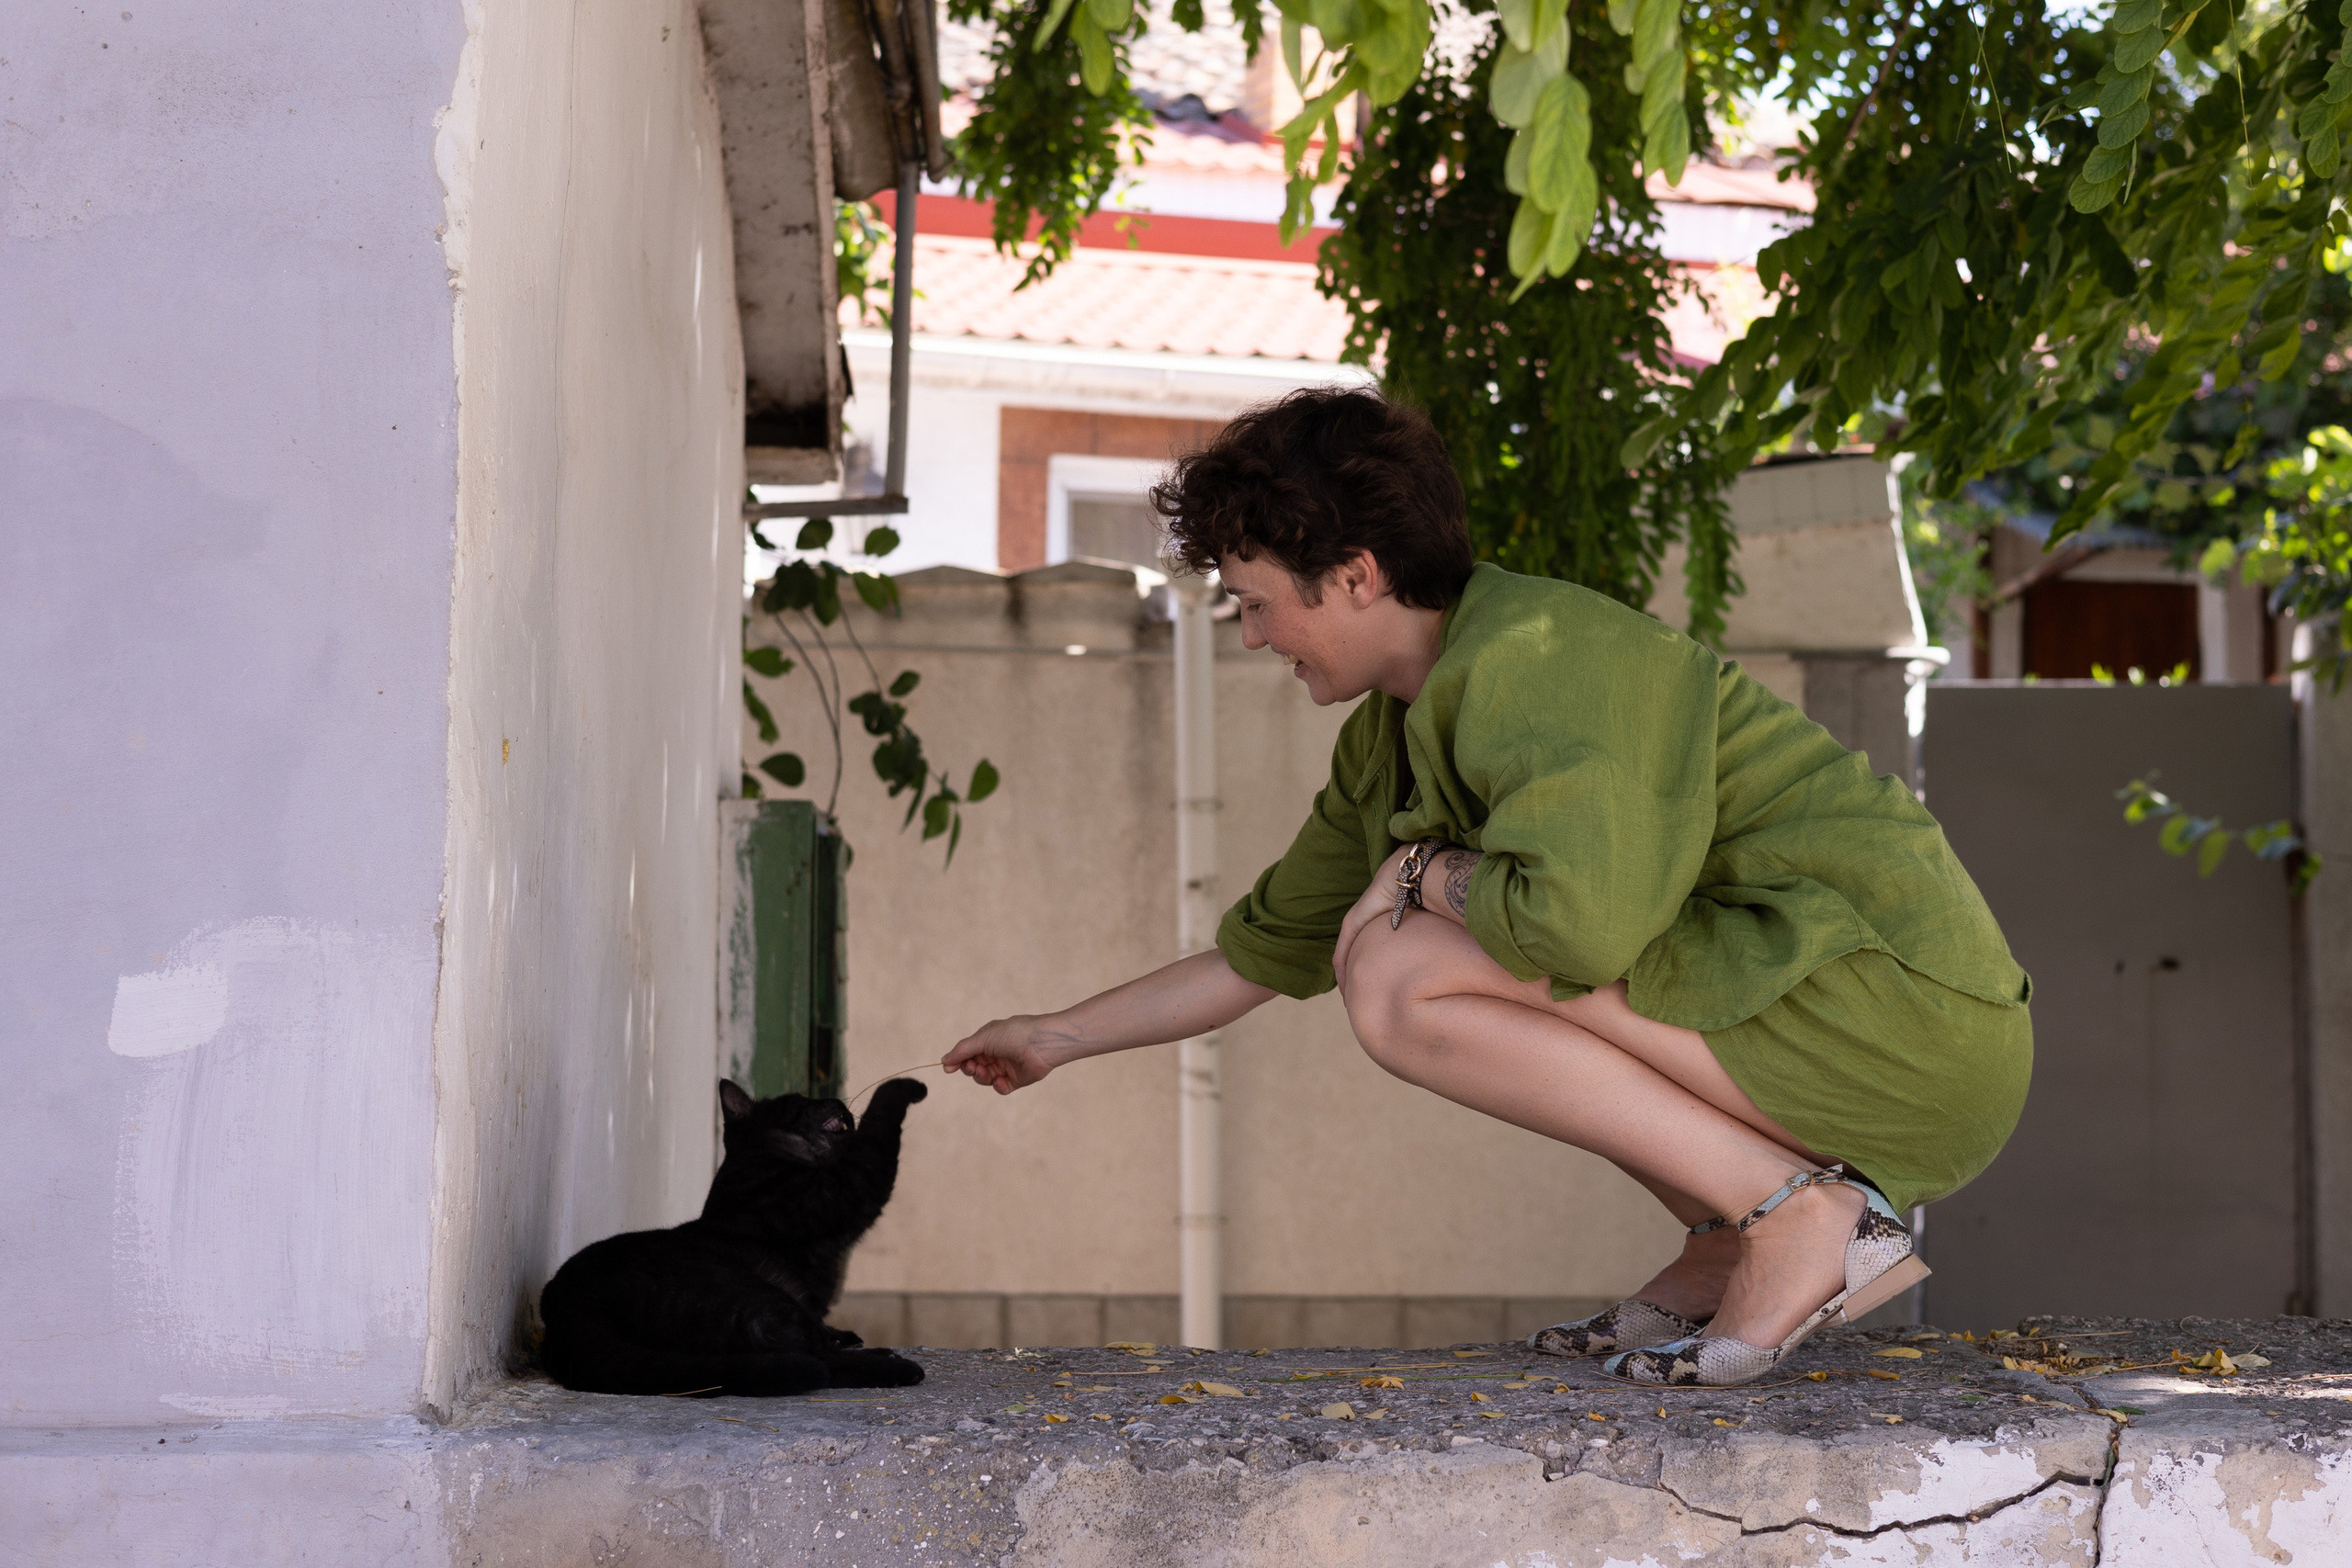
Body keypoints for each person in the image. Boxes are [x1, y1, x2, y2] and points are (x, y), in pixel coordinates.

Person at [940, 388, 2031, 1389]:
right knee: (1391, 945)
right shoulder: (1392, 736)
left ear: (1357, 574)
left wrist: (1418, 869)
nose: (1252, 632)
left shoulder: (1546, 655)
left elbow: (1578, 929)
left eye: (1258, 601)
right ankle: (1725, 1243)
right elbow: (1261, 951)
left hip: (1909, 1029)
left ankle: (1798, 1220)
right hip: (1807, 1022)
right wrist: (1055, 1037)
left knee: (1403, 973)